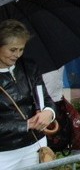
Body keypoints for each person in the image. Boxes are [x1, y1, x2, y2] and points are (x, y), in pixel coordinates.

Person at [0, 20, 57, 168]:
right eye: (12, 50)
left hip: (35, 145)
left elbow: (46, 98)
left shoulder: (29, 66)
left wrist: (48, 113)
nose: (17, 55)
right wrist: (27, 124)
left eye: (21, 49)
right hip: (4, 152)